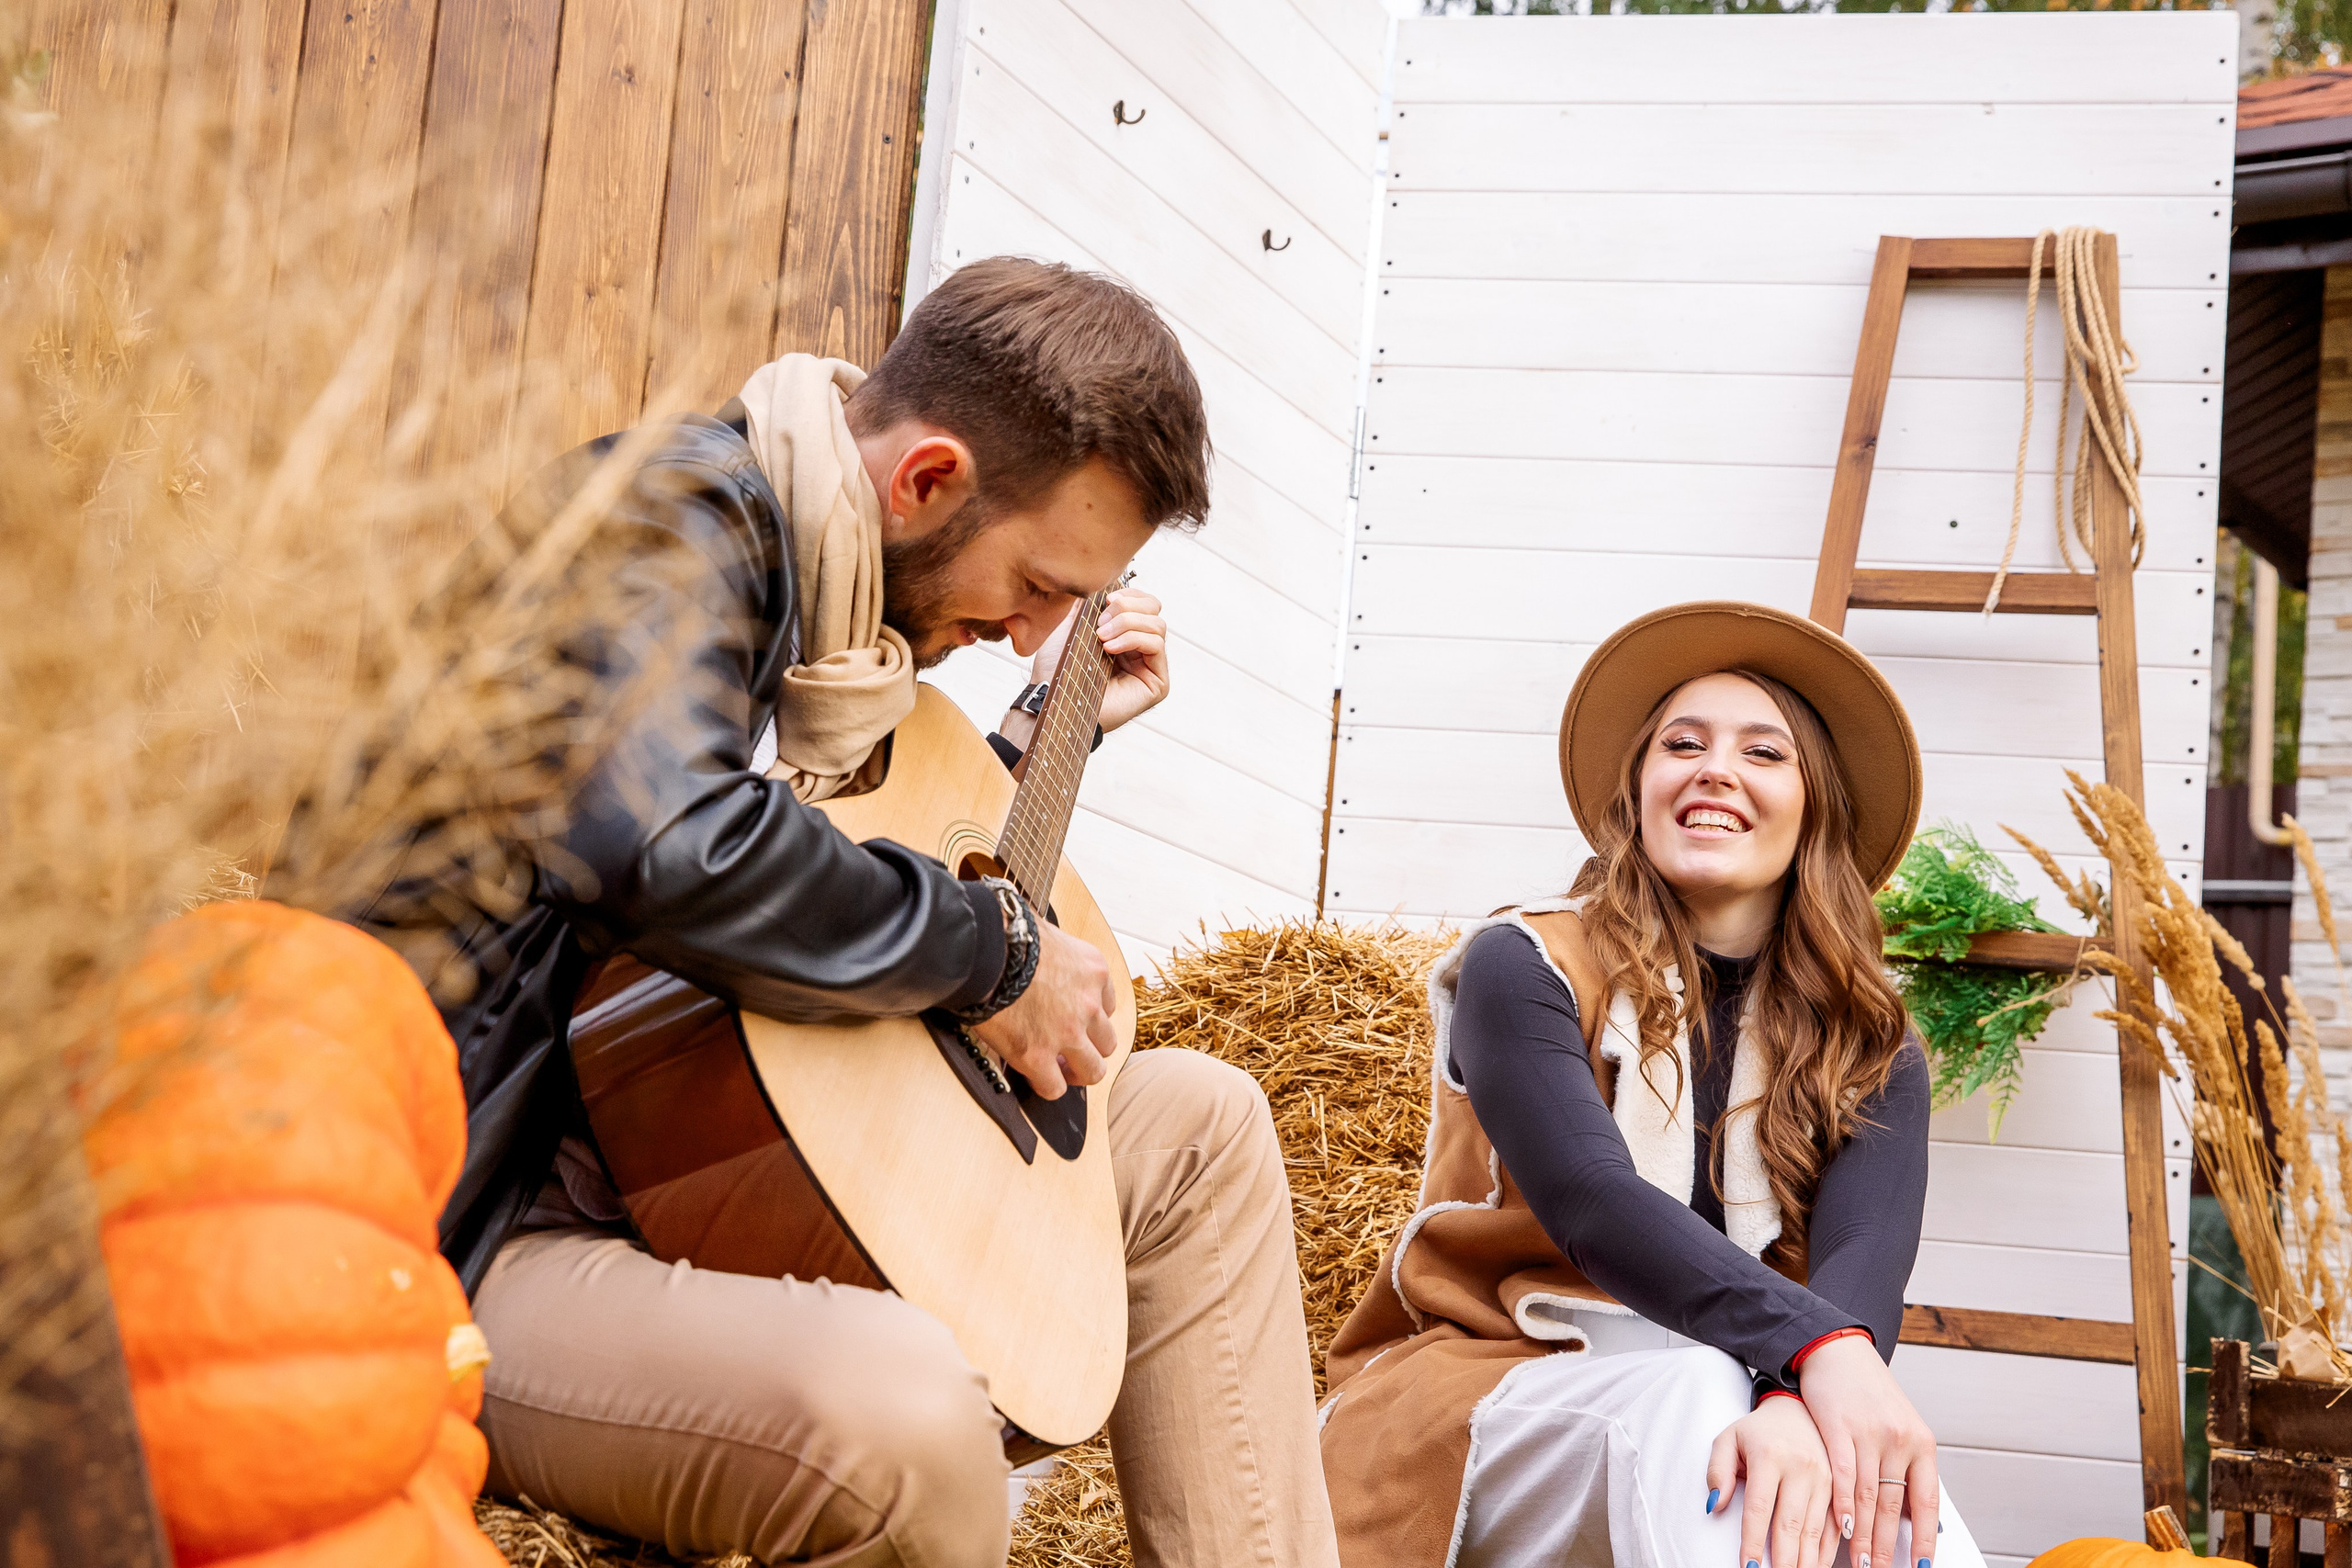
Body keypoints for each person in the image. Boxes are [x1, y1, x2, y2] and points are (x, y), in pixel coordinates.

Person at [355, 258, 1340, 1568]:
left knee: (1204, 1122)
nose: (1032, 626)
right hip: (486, 1226)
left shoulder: (835, 621)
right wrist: (997, 955)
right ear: (927, 479)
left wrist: (1042, 739)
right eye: (1041, 580)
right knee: (910, 1412)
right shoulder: (669, 520)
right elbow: (666, 844)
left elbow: (843, 866)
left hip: (679, 1162)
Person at [1315, 601, 1989, 1568]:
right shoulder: (1525, 964)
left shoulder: (1870, 1042)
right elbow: (1594, 1201)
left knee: (1859, 1459)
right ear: (1638, 787)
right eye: (1683, 744)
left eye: (1764, 754)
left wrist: (1797, 1397)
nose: (1715, 769)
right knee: (1700, 1392)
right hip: (1497, 1386)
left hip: (1744, 1383)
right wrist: (1811, 1355)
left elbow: (1862, 1268)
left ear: (1815, 811)